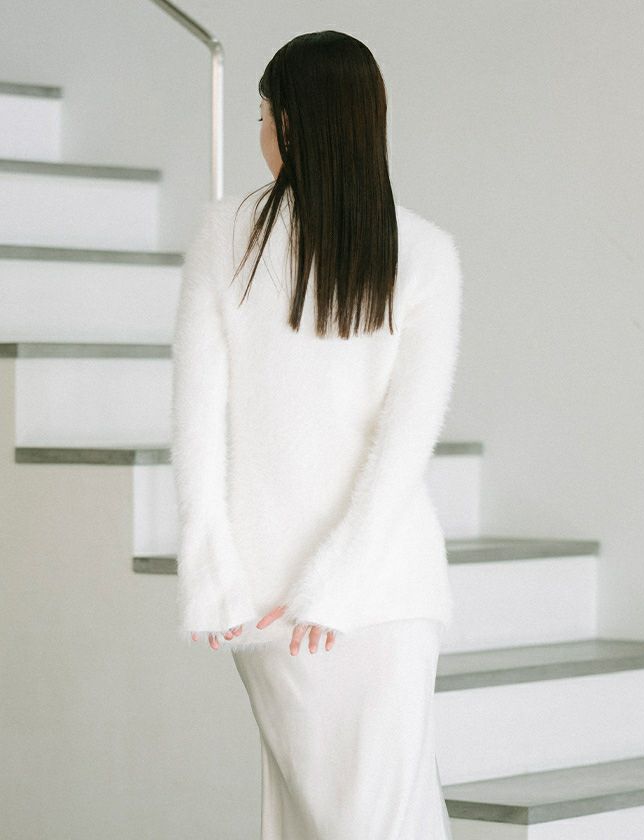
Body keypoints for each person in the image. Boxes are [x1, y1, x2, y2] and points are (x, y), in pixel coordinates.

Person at [170, 29, 462, 840]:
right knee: (385, 820)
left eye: (263, 116)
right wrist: (337, 582)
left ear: (291, 125)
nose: (260, 134)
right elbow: (402, 448)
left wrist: (213, 572)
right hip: (376, 590)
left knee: (316, 823)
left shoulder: (225, 237)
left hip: (275, 592)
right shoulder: (426, 253)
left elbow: (196, 424)